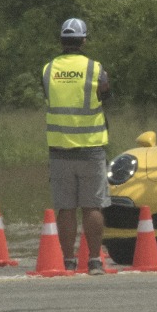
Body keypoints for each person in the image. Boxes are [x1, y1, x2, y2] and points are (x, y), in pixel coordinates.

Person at [42, 17, 111, 274]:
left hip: (59, 149)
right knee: (92, 206)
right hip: (90, 147)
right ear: (83, 40)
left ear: (61, 40)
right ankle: (94, 260)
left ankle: (68, 260)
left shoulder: (48, 69)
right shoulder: (95, 68)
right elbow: (106, 94)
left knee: (66, 208)